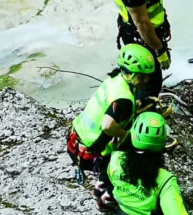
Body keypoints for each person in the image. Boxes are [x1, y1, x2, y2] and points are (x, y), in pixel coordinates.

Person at [66, 43, 157, 210]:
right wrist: (126, 136)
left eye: (148, 76)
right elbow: (108, 125)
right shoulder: (124, 99)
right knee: (132, 157)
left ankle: (101, 185)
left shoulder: (115, 79)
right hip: (92, 152)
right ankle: (107, 197)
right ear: (130, 74)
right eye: (141, 76)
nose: (146, 81)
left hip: (76, 140)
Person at [102, 112, 188, 215]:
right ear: (163, 144)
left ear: (132, 136)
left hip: (121, 209)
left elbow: (111, 180)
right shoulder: (166, 181)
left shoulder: (116, 158)